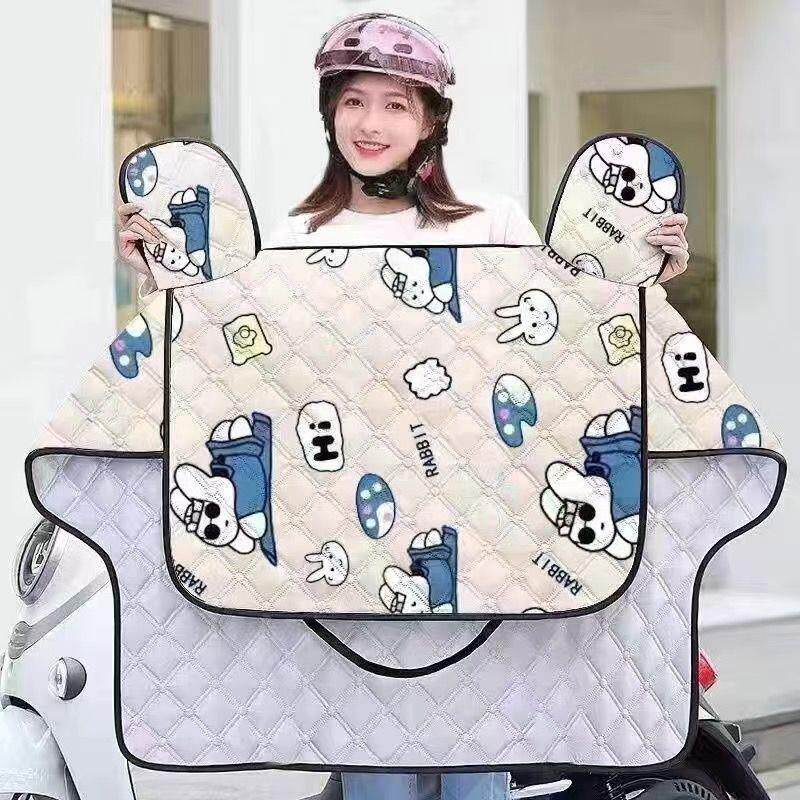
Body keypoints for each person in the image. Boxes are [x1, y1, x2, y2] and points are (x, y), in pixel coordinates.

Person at [115, 12, 690, 800]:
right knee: (376, 781)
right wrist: (163, 284)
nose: (371, 123)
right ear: (329, 112)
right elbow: (239, 370)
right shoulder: (290, 239)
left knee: (476, 779)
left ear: (430, 122)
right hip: (354, 559)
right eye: (354, 101)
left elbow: (569, 354)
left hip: (484, 550)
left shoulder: (492, 226)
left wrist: (644, 282)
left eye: (395, 104)